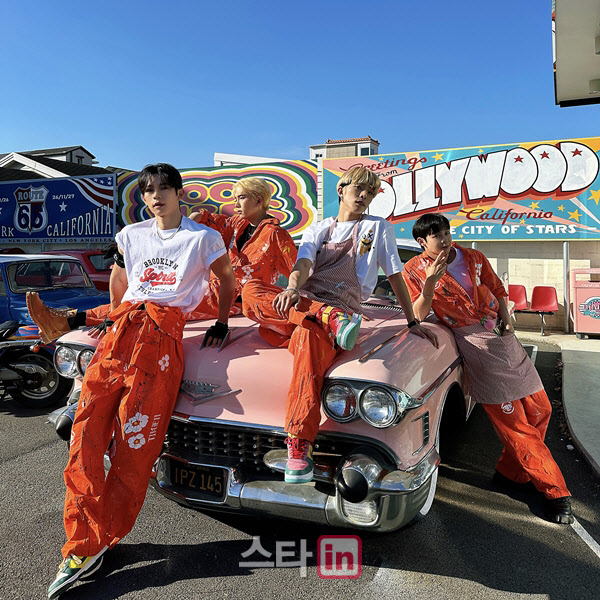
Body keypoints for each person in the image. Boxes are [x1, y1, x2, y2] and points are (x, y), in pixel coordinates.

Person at [44, 163, 236, 599]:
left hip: (161, 342)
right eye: (149, 190)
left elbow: (226, 278)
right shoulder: (131, 235)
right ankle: (81, 540)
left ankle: (101, 537)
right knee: (84, 439)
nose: (156, 196)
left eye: (164, 188)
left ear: (179, 192)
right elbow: (120, 279)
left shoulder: (202, 238)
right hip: (118, 336)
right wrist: (109, 319)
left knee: (134, 449)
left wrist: (223, 320)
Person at [241, 166, 438, 484]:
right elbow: (303, 264)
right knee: (251, 290)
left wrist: (412, 320)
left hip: (342, 309)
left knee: (307, 337)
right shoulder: (318, 229)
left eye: (370, 192)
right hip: (311, 306)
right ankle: (324, 315)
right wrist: (292, 288)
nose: (364, 196)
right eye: (359, 189)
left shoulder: (377, 227)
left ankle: (299, 443)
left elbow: (394, 275)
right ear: (341, 189)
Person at [403, 212, 573, 525]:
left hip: (503, 338)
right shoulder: (413, 269)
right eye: (437, 236)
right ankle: (555, 492)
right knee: (516, 425)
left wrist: (507, 320)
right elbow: (417, 314)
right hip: (474, 344)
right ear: (422, 242)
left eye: (446, 232)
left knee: (541, 409)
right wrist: (430, 282)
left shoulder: (473, 257)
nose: (445, 239)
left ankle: (510, 474)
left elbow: (497, 289)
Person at [27, 177, 296, 342]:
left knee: (154, 301)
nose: (235, 203)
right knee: (146, 296)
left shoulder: (277, 235)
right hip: (212, 289)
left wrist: (294, 292)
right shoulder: (236, 224)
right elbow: (202, 218)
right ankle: (66, 319)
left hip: (235, 299)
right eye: (234, 198)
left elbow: (295, 270)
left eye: (241, 198)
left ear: (258, 200)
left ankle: (66, 320)